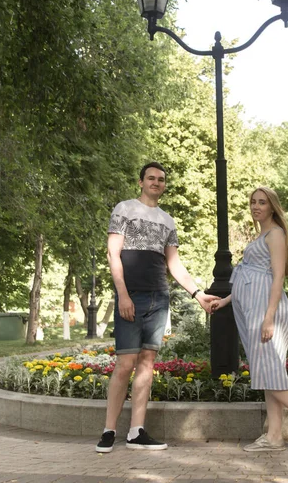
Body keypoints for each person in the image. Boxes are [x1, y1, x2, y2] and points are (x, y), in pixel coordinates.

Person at [96, 161, 219, 453]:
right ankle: (109, 430)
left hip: (159, 297)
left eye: (161, 179)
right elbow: (114, 254)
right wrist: (122, 294)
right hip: (131, 296)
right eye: (151, 178)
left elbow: (173, 263)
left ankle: (136, 431)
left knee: (147, 365)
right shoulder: (123, 209)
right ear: (141, 182)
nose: (156, 182)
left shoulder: (167, 220)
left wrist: (198, 294)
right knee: (125, 364)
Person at [211, 186, 288, 454]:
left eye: (262, 202)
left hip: (266, 311)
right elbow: (249, 278)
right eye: (253, 202)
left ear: (272, 206)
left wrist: (269, 318)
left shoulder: (275, 234)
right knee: (268, 371)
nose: (256, 206)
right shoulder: (261, 234)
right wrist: (226, 300)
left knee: (269, 371)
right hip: (256, 310)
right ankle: (274, 437)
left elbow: (277, 277)